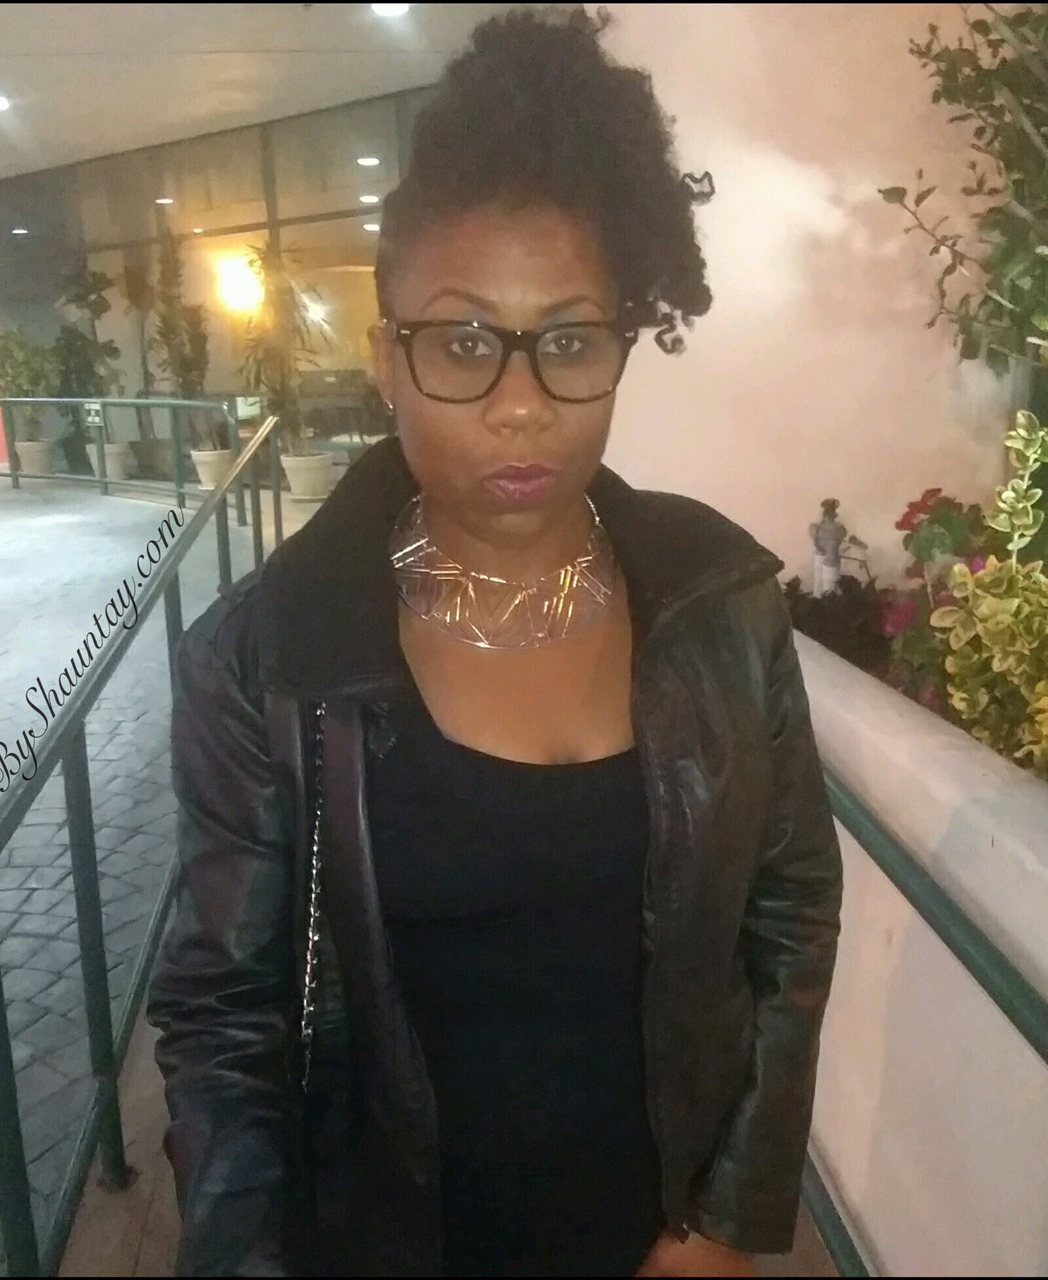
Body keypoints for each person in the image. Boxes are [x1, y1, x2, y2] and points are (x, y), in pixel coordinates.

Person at [147, 10, 842, 1277]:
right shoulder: (266, 659)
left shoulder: (719, 601)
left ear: (620, 345)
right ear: (386, 359)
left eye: (566, 340)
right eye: (463, 341)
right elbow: (224, 1020)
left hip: (660, 1241)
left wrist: (726, 1217)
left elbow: (787, 910)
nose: (519, 404)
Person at [810, 499, 847, 598]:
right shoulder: (838, 529)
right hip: (828, 560)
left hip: (824, 559)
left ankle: (820, 600)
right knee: (826, 589)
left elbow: (817, 543)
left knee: (821, 588)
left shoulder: (816, 527)